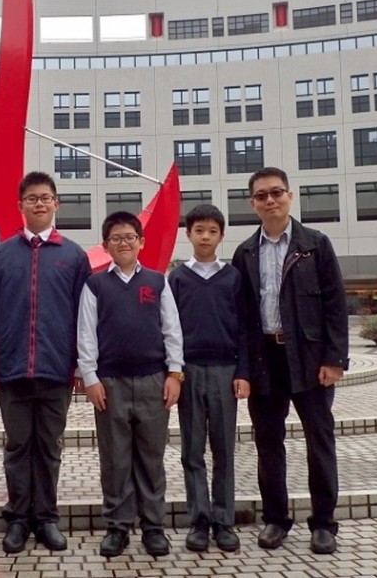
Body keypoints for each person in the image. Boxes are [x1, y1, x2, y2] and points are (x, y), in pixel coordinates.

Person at [231, 167, 348, 555]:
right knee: (268, 442)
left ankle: (324, 523)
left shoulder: (315, 244)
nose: (270, 200)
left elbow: (335, 305)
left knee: (319, 439)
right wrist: (243, 369)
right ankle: (276, 519)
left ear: (289, 196)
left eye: (276, 192)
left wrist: (334, 359)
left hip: (309, 358)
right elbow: (241, 318)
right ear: (252, 203)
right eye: (261, 195)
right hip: (265, 358)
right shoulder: (245, 252)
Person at [0, 172, 92, 553]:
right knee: (17, 446)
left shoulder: (74, 256)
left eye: (45, 198)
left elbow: (84, 317)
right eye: (32, 198)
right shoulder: (1, 255)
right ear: (21, 205)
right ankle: (17, 519)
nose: (39, 203)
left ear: (56, 204)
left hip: (56, 370)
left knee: (48, 447)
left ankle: (45, 518)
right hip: (12, 369)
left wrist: (80, 365)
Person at [77, 211, 184, 558]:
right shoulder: (95, 285)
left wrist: (174, 374)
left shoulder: (157, 281)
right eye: (116, 238)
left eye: (129, 237)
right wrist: (90, 377)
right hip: (110, 384)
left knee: (152, 458)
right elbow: (86, 334)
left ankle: (153, 527)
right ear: (105, 245)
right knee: (115, 459)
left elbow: (172, 330)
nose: (123, 243)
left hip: (154, 381)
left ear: (141, 242)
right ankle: (117, 527)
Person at [167, 204, 249, 553]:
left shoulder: (233, 277)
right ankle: (199, 521)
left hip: (225, 372)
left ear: (221, 236)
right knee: (192, 450)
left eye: (212, 231)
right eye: (199, 230)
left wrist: (243, 372)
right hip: (188, 372)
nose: (205, 237)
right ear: (188, 234)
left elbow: (245, 328)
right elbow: (168, 329)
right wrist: (173, 372)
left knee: (224, 449)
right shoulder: (177, 278)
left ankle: (224, 521)